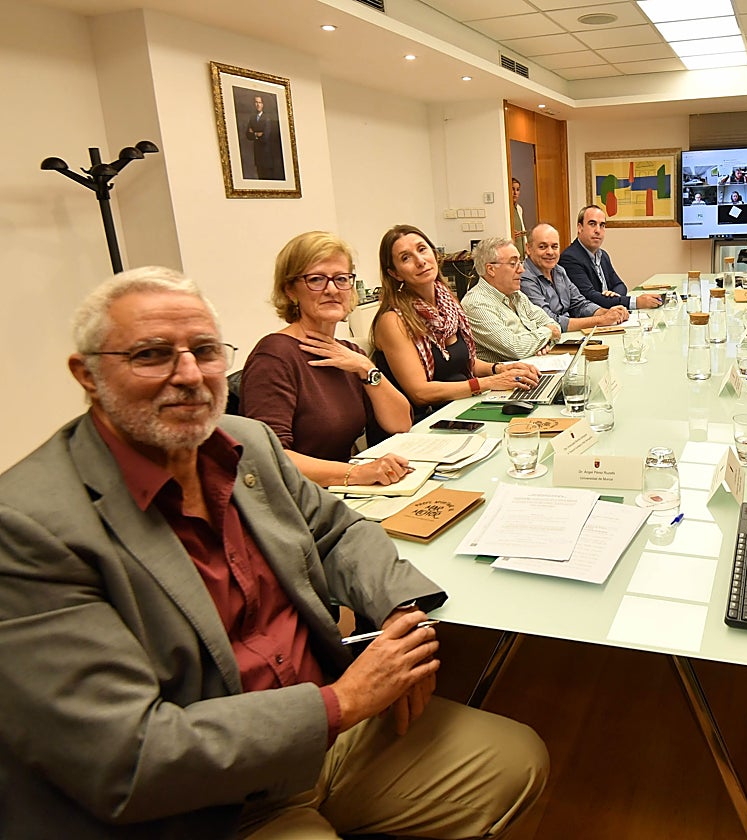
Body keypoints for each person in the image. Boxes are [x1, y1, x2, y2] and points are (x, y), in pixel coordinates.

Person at [0, 267, 548, 838]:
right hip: (206, 803)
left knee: (517, 760)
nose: (189, 374)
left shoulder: (244, 443)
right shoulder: (28, 527)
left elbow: (338, 531)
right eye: (151, 355)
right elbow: (126, 756)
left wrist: (399, 619)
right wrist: (344, 703)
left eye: (206, 351)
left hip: (325, 735)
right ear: (87, 375)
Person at [241, 231, 414, 488]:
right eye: (316, 279)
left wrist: (366, 368)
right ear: (290, 290)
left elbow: (400, 423)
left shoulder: (349, 354)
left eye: (341, 279)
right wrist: (356, 474)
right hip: (300, 499)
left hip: (342, 490)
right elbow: (271, 457)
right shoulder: (275, 356)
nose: (332, 289)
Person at [371, 225, 540, 421]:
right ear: (395, 274)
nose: (420, 261)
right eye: (405, 258)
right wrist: (489, 382)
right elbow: (420, 393)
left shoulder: (448, 303)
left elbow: (461, 361)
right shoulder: (393, 321)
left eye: (422, 249)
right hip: (420, 423)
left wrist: (499, 369)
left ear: (434, 254)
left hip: (456, 408)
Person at [462, 236, 561, 362]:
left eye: (520, 263)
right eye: (513, 264)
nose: (522, 270)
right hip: (506, 377)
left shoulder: (517, 295)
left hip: (537, 364)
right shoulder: (476, 304)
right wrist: (547, 334)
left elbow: (554, 325)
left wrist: (543, 343)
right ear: (491, 269)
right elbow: (516, 349)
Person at [521, 223, 630, 332]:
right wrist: (601, 320)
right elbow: (551, 322)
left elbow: (580, 305)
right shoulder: (524, 277)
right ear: (528, 248)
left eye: (554, 247)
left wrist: (611, 313)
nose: (550, 252)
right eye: (542, 247)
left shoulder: (559, 271)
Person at [560, 205, 661, 311]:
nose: (598, 230)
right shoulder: (570, 258)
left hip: (611, 315)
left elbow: (620, 285)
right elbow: (589, 297)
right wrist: (636, 302)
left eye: (602, 225)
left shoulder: (603, 255)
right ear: (580, 228)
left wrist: (614, 297)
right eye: (592, 224)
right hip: (591, 321)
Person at [244, 94, 284, 180]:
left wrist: (253, 133)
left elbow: (265, 137)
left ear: (263, 104)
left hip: (267, 155)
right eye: (256, 102)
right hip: (258, 155)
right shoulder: (252, 118)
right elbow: (248, 135)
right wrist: (257, 134)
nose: (258, 105)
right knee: (260, 176)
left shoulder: (267, 118)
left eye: (260, 102)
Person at [510, 177, 527, 256]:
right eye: (512, 189)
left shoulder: (519, 208)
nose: (515, 193)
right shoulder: (507, 209)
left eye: (517, 189)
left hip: (522, 248)